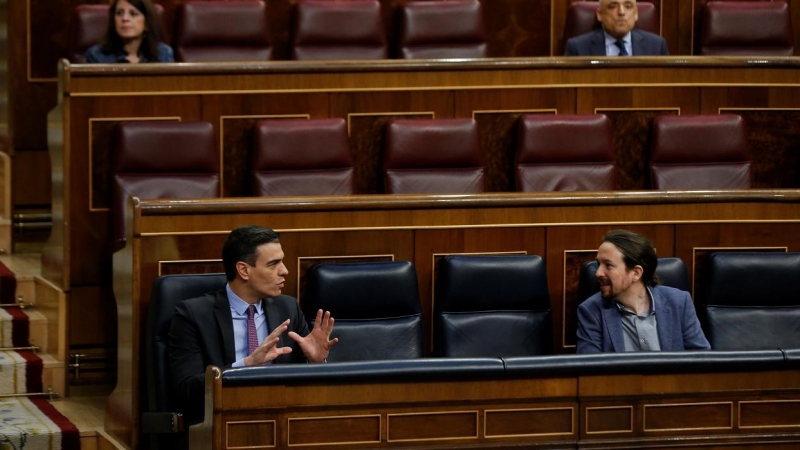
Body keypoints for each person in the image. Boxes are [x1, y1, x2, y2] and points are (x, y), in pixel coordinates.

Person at [168, 225, 338, 425]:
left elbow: (308, 390)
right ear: (243, 270)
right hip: (222, 424)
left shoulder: (288, 308)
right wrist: (246, 365)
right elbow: (187, 390)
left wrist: (316, 364)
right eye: (273, 264)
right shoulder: (193, 315)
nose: (285, 271)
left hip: (283, 421)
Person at [576, 230, 709, 353]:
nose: (598, 273)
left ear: (636, 273)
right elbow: (589, 371)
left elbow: (701, 360)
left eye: (608, 265)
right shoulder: (591, 311)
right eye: (598, 264)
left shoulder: (679, 302)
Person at [564, 0, 668, 56]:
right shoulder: (577, 49)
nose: (621, 12)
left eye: (628, 6)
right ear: (600, 14)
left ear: (636, 14)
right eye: (613, 6)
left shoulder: (657, 47)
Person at [85, 0, 174, 63]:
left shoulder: (164, 54)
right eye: (119, 13)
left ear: (147, 22)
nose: (124, 18)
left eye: (133, 14)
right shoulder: (96, 56)